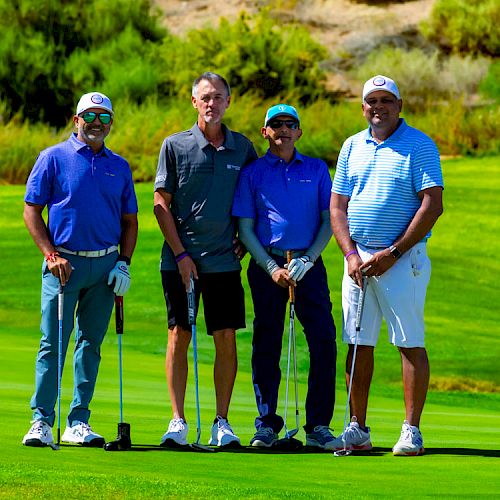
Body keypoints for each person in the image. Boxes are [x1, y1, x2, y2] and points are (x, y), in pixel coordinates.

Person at [330, 75, 444, 456]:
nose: (378, 107)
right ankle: (357, 428)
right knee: (358, 342)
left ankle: (411, 430)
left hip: (402, 260)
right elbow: (337, 205)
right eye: (371, 101)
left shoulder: (420, 145)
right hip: (358, 259)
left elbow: (432, 205)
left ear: (399, 105)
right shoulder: (351, 146)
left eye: (385, 101)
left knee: (408, 341)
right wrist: (350, 254)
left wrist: (393, 253)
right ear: (363, 107)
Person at [22, 92, 138, 447]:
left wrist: (124, 262)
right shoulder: (53, 158)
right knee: (51, 344)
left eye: (103, 117)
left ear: (111, 123)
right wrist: (50, 254)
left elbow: (131, 221)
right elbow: (31, 211)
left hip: (105, 267)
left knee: (90, 344)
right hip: (63, 265)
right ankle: (41, 420)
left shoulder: (119, 165)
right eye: (89, 116)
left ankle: (78, 421)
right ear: (76, 120)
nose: (96, 123)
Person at [153, 72, 257, 448]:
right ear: (194, 102)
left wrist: (246, 240)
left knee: (226, 337)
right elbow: (160, 203)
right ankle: (178, 421)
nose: (212, 103)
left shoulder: (243, 148)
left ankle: (222, 421)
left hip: (224, 263)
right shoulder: (175, 145)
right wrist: (180, 254)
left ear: (229, 102)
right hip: (179, 261)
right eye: (205, 98)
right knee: (179, 334)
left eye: (218, 97)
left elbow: (255, 200)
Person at [232, 104, 341, 450]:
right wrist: (271, 267)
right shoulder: (252, 173)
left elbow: (329, 220)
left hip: (309, 265)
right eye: (275, 125)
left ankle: (319, 425)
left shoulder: (316, 169)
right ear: (265, 132)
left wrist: (308, 259)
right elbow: (245, 230)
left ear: (299, 131)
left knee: (323, 339)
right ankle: (266, 424)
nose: (282, 130)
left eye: (289, 124)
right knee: (267, 342)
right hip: (268, 266)